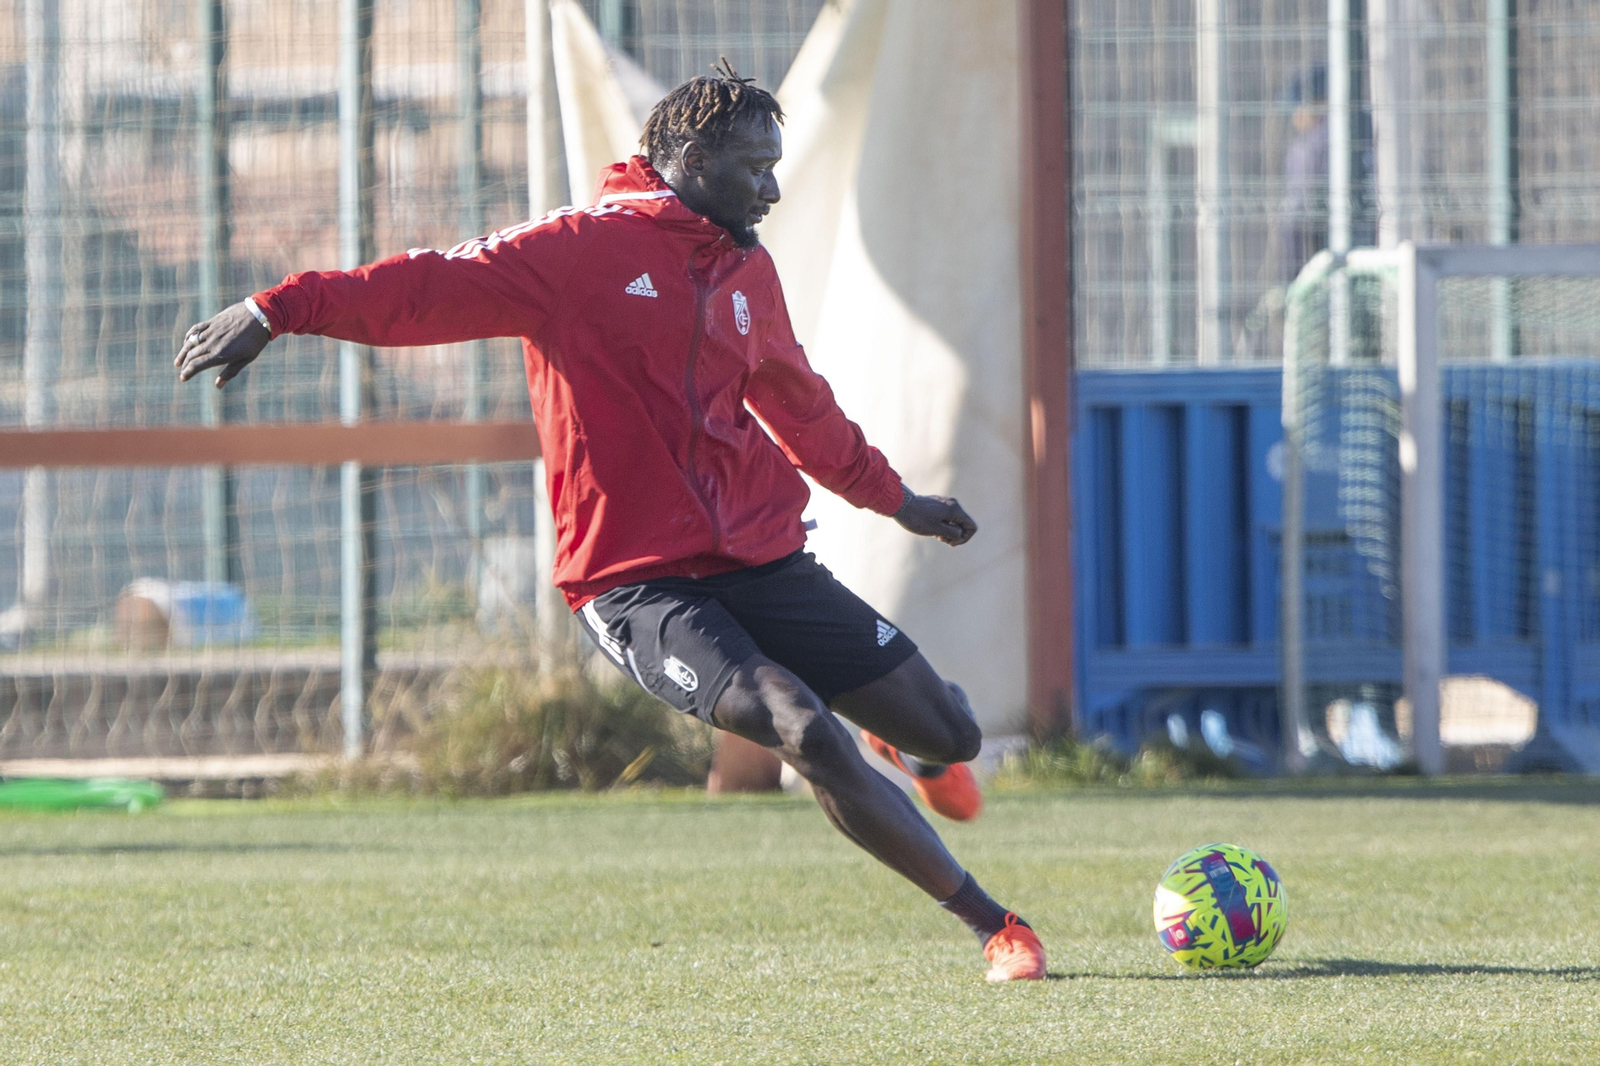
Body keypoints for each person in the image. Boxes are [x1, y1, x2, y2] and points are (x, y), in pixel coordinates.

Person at [175, 64, 1046, 983]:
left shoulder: (746, 267)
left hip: (763, 560)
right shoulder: (576, 250)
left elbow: (800, 406)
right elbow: (425, 286)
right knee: (803, 728)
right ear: (692, 159)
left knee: (952, 735)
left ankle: (909, 743)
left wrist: (896, 501)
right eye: (755, 169)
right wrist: (278, 309)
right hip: (637, 583)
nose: (772, 190)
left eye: (776, 167)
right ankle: (996, 925)